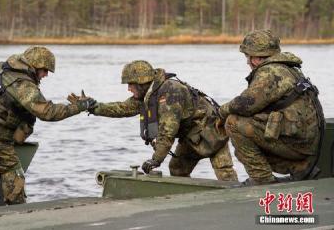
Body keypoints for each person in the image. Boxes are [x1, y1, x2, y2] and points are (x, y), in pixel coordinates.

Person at [0, 46, 95, 204]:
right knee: (13, 171)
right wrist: (80, 106)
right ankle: (17, 214)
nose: (46, 75)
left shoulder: (1, 68)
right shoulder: (23, 84)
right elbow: (48, 112)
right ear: (34, 65)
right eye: (44, 70)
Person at [81, 60, 238, 181]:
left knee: (225, 174)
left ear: (142, 83)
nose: (129, 89)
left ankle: (239, 202)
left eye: (131, 84)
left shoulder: (170, 92)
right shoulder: (149, 94)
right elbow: (123, 108)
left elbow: (167, 131)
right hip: (191, 136)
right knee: (177, 169)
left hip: (212, 130)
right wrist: (94, 107)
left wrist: (155, 160)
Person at [219, 29, 325, 185]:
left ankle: (262, 180)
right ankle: (299, 168)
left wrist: (221, 111)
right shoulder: (288, 68)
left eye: (248, 56)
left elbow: (244, 104)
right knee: (253, 131)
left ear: (255, 57)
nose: (247, 61)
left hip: (297, 143)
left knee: (233, 123)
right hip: (305, 141)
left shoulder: (271, 72)